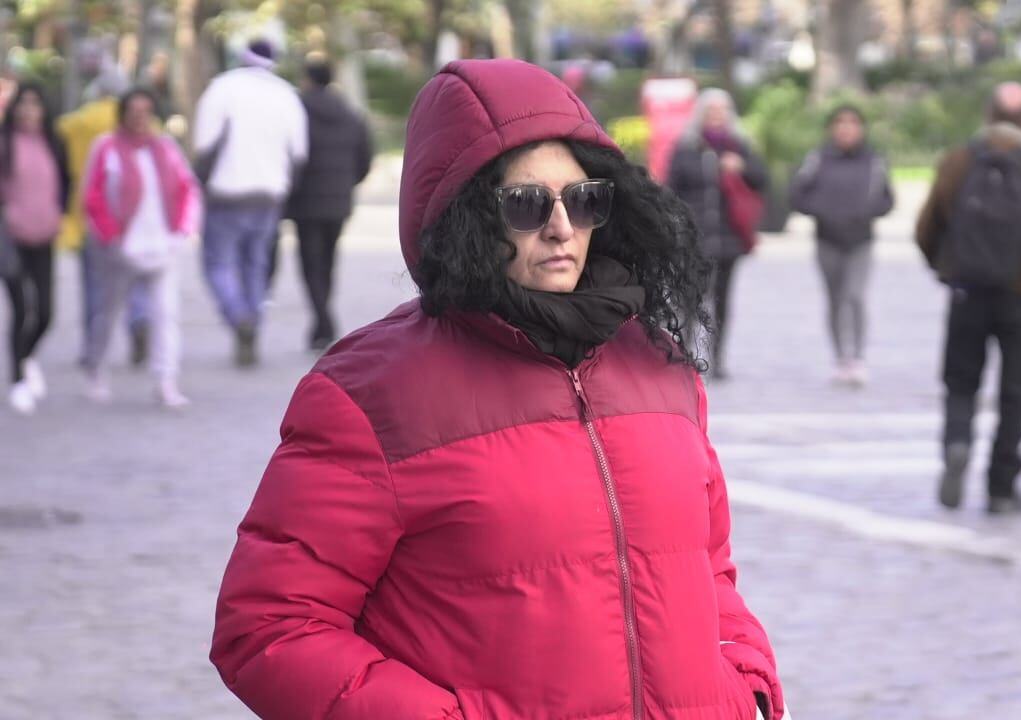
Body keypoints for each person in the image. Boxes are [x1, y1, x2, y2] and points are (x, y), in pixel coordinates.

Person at [210, 59, 785, 720]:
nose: (562, 227)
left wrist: (749, 687)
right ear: (465, 219)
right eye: (526, 203)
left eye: (584, 198)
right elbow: (269, 626)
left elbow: (707, 573)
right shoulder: (371, 396)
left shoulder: (657, 363)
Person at [916, 82, 1021, 515]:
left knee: (960, 382)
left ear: (988, 114)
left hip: (967, 292)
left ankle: (957, 443)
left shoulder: (958, 164)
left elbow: (925, 228)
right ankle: (1002, 487)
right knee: (1014, 391)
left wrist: (946, 268)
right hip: (1020, 296)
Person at [81, 88, 202, 408]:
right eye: (133, 112)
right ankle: (95, 367)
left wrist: (183, 230)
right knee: (107, 313)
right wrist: (110, 236)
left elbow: (187, 186)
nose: (140, 120)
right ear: (122, 115)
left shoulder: (164, 147)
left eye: (145, 112)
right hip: (121, 249)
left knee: (166, 314)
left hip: (162, 244)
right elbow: (92, 196)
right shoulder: (106, 147)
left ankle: (166, 379)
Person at [194, 39, 307, 366]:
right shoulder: (287, 95)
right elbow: (299, 155)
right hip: (269, 195)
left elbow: (204, 147)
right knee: (255, 265)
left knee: (217, 263)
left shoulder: (221, 90)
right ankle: (253, 321)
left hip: (225, 193)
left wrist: (199, 183)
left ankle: (238, 315)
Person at [790, 104, 894, 387]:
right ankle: (841, 358)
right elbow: (797, 195)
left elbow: (887, 199)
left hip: (860, 240)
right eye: (840, 123)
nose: (846, 129)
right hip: (827, 240)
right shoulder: (818, 159)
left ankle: (858, 357)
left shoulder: (873, 161)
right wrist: (822, 211)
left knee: (855, 296)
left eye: (852, 123)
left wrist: (867, 211)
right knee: (835, 300)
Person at [668, 88, 768, 380]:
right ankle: (684, 353)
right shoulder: (686, 147)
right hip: (694, 237)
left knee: (722, 300)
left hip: (728, 238)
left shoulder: (739, 146)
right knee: (688, 298)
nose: (716, 116)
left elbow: (762, 181)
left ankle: (718, 357)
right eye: (710, 111)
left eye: (721, 111)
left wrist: (743, 168)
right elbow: (671, 188)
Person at [59, 65, 155, 369]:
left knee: (96, 285)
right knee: (136, 277)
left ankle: (92, 346)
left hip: (89, 211)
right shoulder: (144, 123)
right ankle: (138, 318)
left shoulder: (79, 121)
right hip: (137, 214)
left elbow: (56, 132)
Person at [285, 58, 373, 351]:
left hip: (305, 201)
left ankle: (323, 320)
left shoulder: (297, 111)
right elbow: (365, 158)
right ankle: (322, 321)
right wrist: (346, 184)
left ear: (307, 79)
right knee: (328, 261)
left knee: (310, 263)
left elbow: (288, 152)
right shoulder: (349, 113)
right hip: (338, 201)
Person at [1, 80, 70, 415]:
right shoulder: (4, 143)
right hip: (10, 240)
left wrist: (60, 215)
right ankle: (17, 380)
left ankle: (26, 356)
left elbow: (65, 183)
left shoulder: (53, 142)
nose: (29, 110)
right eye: (23, 103)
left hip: (44, 236)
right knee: (20, 310)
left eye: (35, 103)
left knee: (45, 313)